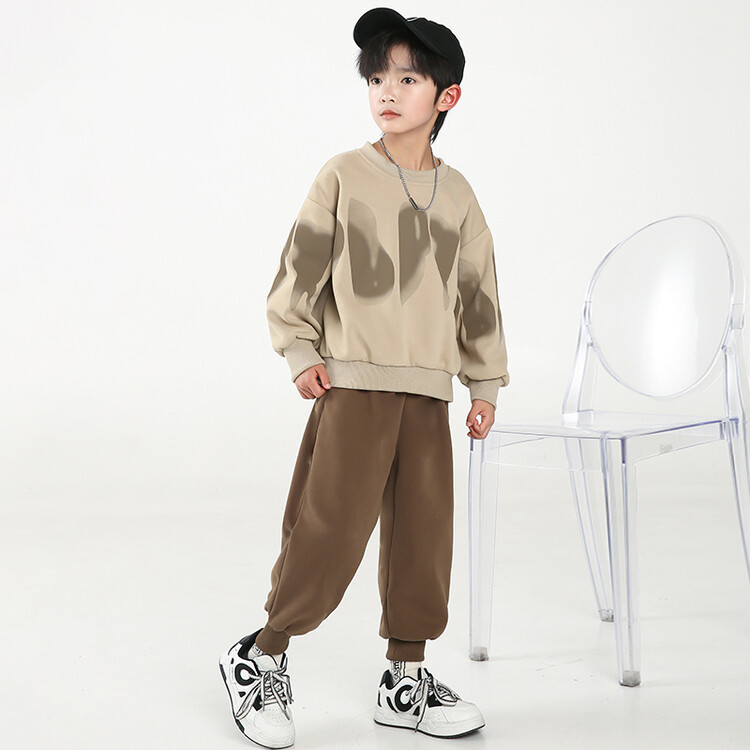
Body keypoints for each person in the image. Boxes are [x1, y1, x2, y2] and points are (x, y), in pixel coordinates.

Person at [218, 8, 510, 748]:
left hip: (428, 391)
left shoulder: (460, 195)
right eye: (377, 78)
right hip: (352, 385)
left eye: (407, 79)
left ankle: (405, 679)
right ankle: (261, 655)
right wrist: (300, 348)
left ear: (447, 96)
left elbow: (477, 295)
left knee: (423, 538)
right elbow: (298, 270)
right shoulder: (344, 175)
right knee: (329, 529)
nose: (387, 91)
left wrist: (483, 385)